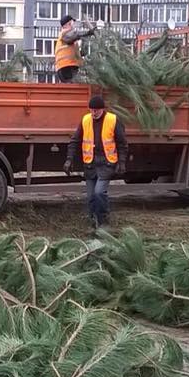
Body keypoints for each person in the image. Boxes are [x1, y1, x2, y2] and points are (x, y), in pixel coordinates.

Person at [64, 95, 129, 229]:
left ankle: (103, 221)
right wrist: (69, 160)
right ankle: (93, 221)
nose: (94, 113)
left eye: (96, 110)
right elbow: (74, 141)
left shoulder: (112, 120)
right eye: (91, 110)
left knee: (99, 192)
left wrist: (122, 163)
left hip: (107, 163)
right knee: (90, 197)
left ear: (102, 109)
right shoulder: (85, 120)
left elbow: (122, 143)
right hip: (90, 164)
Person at [55, 15, 97, 83]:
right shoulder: (65, 34)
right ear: (66, 24)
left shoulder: (69, 39)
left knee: (74, 87)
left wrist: (83, 48)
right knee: (75, 86)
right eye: (71, 23)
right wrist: (87, 33)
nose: (73, 26)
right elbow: (75, 35)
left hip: (67, 67)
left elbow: (76, 53)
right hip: (67, 67)